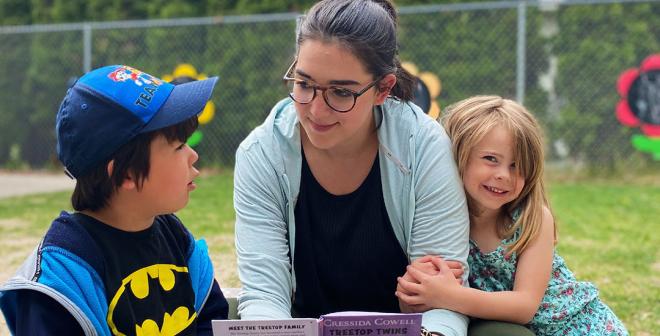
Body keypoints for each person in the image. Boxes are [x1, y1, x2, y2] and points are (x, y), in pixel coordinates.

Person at [233, 0, 473, 335]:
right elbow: (264, 296)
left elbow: (440, 303)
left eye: (341, 92)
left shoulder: (423, 146)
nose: (316, 110)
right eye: (304, 84)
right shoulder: (261, 154)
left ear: (383, 89)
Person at [0, 65, 229, 335]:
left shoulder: (178, 242)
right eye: (179, 146)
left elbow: (211, 322)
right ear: (127, 174)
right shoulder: (64, 276)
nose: (193, 155)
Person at [395, 95, 629, 335]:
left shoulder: (531, 218)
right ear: (457, 154)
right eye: (490, 159)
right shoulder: (438, 217)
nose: (504, 175)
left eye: (517, 166)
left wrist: (449, 296)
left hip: (576, 327)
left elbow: (524, 306)